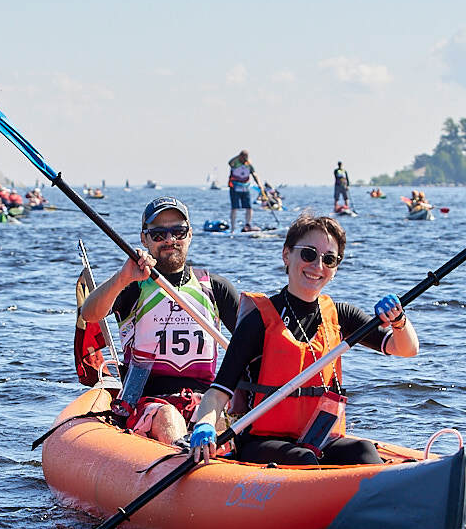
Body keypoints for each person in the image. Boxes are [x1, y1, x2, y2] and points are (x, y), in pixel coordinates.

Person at [187, 213, 418, 467]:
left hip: (319, 439)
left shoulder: (342, 315)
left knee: (362, 451)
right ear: (287, 255)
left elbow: (405, 349)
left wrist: (399, 321)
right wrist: (206, 423)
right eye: (308, 254)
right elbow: (218, 392)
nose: (318, 266)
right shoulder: (259, 321)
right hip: (261, 443)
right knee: (303, 459)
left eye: (329, 259)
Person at [79, 196, 240, 445]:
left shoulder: (215, 288)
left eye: (178, 231)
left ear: (190, 235)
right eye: (158, 234)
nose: (169, 240)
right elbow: (90, 314)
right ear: (144, 239)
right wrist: (122, 277)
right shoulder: (133, 285)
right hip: (147, 401)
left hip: (204, 398)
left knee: (215, 419)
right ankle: (180, 463)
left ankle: (222, 472)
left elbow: (251, 344)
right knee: (167, 415)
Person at [228, 149, 259, 232]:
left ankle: (247, 224)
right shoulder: (235, 163)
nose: (244, 159)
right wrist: (238, 156)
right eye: (243, 157)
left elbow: (254, 174)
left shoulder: (249, 165)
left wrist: (259, 184)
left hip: (245, 189)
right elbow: (230, 163)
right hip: (235, 188)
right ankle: (233, 228)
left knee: (249, 207)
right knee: (234, 208)